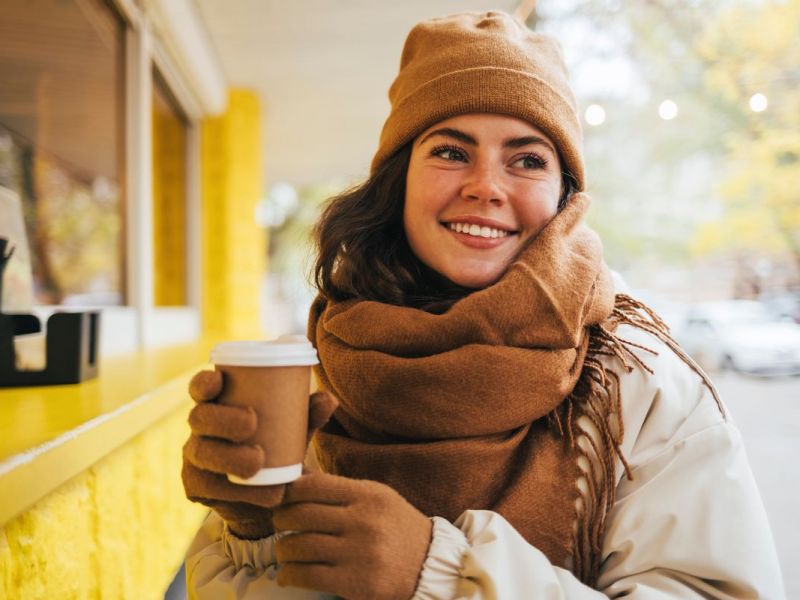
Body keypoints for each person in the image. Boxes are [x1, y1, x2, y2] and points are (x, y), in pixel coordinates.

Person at [181, 11, 785, 599]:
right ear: (400, 179)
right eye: (450, 151)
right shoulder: (320, 366)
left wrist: (440, 575)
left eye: (526, 160)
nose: (486, 187)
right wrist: (254, 531)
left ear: (563, 197)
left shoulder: (639, 381)